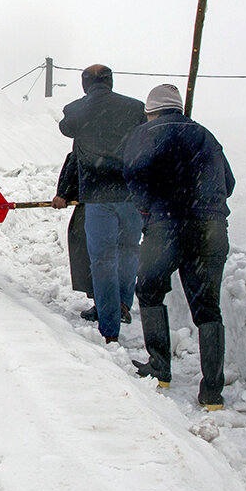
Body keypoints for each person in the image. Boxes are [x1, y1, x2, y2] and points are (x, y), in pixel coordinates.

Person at [122, 83, 236, 410]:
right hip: (210, 229)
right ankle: (212, 391)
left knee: (150, 289)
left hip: (167, 227)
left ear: (151, 109)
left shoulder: (144, 134)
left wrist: (149, 212)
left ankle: (160, 367)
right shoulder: (205, 135)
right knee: (208, 308)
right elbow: (228, 183)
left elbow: (134, 176)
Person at [58, 65, 145, 343]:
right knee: (129, 250)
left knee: (103, 258)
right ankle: (122, 303)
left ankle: (108, 327)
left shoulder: (78, 110)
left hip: (98, 196)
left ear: (85, 85)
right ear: (111, 81)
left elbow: (66, 130)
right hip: (130, 194)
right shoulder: (135, 108)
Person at [52, 151, 93, 311]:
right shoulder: (134, 129)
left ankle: (104, 302)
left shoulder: (88, 132)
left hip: (95, 198)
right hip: (127, 200)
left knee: (85, 244)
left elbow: (75, 159)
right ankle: (121, 300)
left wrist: (63, 193)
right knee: (123, 250)